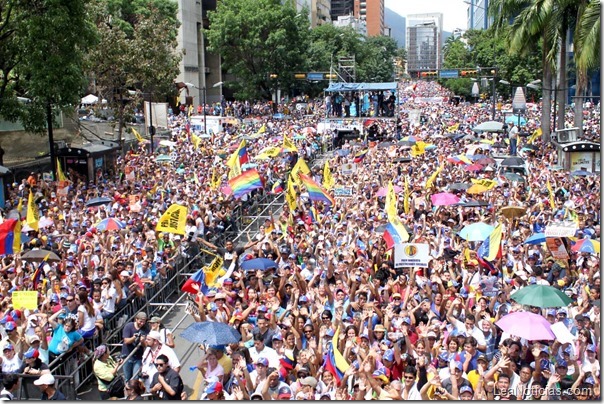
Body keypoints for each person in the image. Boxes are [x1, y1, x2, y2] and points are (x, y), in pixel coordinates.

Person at [121, 311, 149, 381]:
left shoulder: (146, 329)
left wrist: (142, 341)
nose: (142, 323)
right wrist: (134, 338)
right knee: (127, 378)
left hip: (138, 357)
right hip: (127, 356)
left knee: (135, 378)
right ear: (136, 319)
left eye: (144, 322)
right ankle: (127, 391)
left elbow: (146, 345)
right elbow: (126, 341)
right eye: (140, 321)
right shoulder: (129, 326)